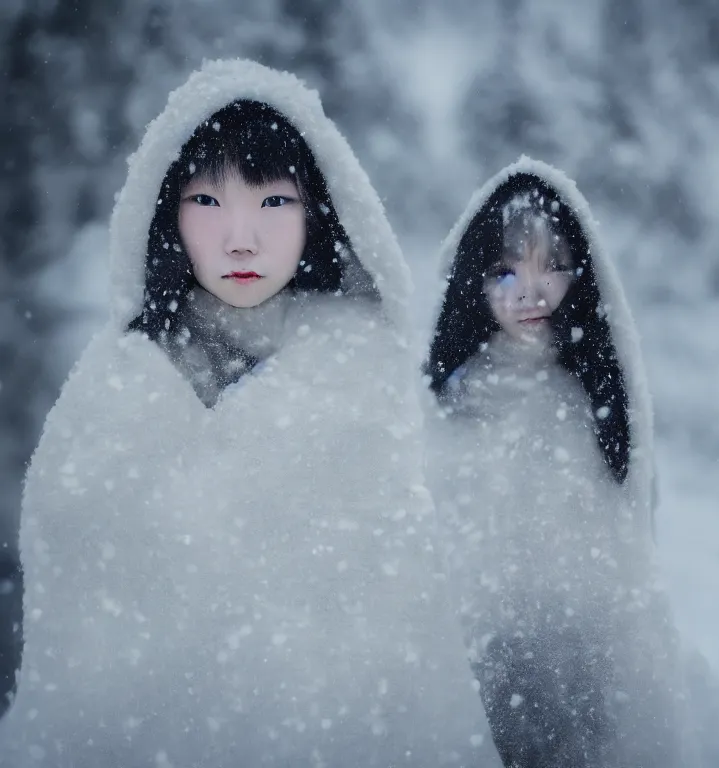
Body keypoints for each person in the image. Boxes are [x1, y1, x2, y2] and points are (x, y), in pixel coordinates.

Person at [1, 59, 501, 767]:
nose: (241, 237)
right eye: (207, 202)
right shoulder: (109, 404)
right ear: (165, 214)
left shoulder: (369, 396)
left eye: (272, 202)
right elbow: (80, 681)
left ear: (319, 212)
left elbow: (405, 671)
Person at [423, 157, 719, 768]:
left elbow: (621, 554)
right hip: (477, 675)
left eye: (554, 266)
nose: (530, 289)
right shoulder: (447, 406)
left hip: (591, 677)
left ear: (583, 275)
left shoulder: (591, 405)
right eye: (504, 269)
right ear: (474, 279)